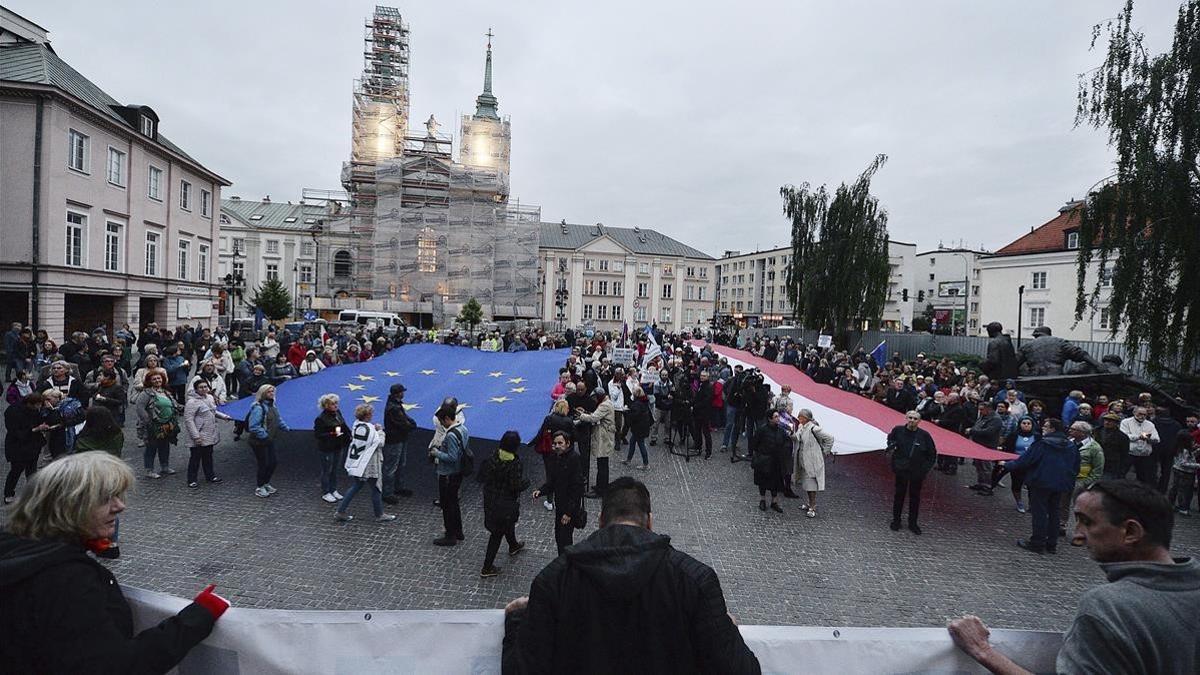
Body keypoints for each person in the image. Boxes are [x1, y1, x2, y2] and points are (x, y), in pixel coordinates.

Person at [502, 476, 761, 674]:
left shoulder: (554, 580)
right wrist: (725, 628)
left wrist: (517, 620)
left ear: (601, 520)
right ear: (649, 522)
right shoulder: (695, 581)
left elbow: (522, 669)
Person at [0, 452, 230, 672]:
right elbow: (115, 667)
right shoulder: (67, 579)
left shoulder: (14, 547)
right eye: (105, 499)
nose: (120, 506)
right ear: (68, 506)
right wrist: (198, 617)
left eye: (119, 496)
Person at [949, 480, 1200, 675]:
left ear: (1131, 531)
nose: (1077, 536)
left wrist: (982, 650)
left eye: (1086, 523)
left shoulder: (1110, 607)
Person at [1003, 418, 1080, 554]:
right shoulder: (1071, 446)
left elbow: (1026, 461)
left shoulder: (1042, 444)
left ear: (1052, 429)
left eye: (1046, 426)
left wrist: (1007, 465)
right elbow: (1075, 466)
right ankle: (1051, 544)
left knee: (1039, 513)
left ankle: (1037, 542)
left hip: (1041, 482)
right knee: (1054, 512)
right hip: (1060, 484)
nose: (1043, 428)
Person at [477, 430, 529, 577]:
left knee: (507, 523)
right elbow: (515, 485)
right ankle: (487, 567)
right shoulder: (514, 464)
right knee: (498, 532)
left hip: (491, 498)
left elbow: (482, 476)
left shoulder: (493, 456)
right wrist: (526, 483)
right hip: (505, 501)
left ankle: (513, 545)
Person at [335, 404, 396, 523]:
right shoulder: (370, 429)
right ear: (367, 415)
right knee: (376, 488)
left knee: (356, 486)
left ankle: (340, 511)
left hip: (358, 462)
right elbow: (380, 443)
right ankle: (379, 514)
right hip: (369, 463)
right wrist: (380, 431)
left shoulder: (356, 425)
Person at [531, 431, 586, 555]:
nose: (557, 446)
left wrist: (568, 513)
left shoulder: (574, 458)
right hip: (560, 505)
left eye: (560, 443)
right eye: (555, 443)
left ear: (567, 443)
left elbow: (577, 489)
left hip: (568, 508)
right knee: (559, 538)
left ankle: (565, 566)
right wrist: (540, 491)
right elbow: (553, 482)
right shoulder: (555, 457)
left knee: (564, 540)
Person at [887, 410, 937, 534]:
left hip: (917, 471)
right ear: (906, 418)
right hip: (901, 469)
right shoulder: (898, 430)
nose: (912, 420)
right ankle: (896, 520)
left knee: (915, 498)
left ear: (919, 421)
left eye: (915, 419)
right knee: (899, 495)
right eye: (910, 417)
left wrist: (924, 470)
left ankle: (913, 523)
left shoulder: (924, 435)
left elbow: (932, 454)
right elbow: (890, 440)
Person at [430, 404, 469, 546]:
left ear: (447, 419)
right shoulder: (463, 429)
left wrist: (437, 453)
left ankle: (450, 535)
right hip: (457, 473)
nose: (440, 424)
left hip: (447, 474)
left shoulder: (451, 435)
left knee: (447, 505)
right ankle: (458, 531)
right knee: (454, 503)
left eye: (441, 421)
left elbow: (452, 457)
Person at [182, 379, 232, 488]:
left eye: (205, 387)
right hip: (199, 433)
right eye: (201, 387)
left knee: (208, 456)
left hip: (209, 432)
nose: (204, 389)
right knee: (195, 458)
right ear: (196, 389)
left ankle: (210, 476)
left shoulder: (209, 398)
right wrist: (196, 436)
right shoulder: (192, 402)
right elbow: (188, 420)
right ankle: (192, 479)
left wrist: (224, 417)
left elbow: (213, 411)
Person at [246, 384, 289, 498]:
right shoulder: (258, 407)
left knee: (273, 462)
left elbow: (277, 418)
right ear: (263, 393)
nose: (272, 393)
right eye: (269, 391)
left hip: (269, 440)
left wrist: (285, 427)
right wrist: (265, 436)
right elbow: (254, 426)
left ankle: (266, 482)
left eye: (273, 391)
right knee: (263, 464)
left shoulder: (272, 405)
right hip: (259, 441)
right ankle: (260, 486)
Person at [3, 391, 46, 504]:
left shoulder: (34, 410)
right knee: (16, 471)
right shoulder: (14, 411)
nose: (39, 407)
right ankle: (8, 493)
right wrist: (35, 429)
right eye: (38, 405)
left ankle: (32, 493)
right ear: (32, 404)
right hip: (18, 447)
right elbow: (15, 431)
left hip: (32, 445)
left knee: (31, 471)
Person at [792, 408, 834, 518]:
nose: (799, 418)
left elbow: (829, 438)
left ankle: (812, 506)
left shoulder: (814, 429)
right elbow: (797, 437)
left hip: (812, 461)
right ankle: (809, 503)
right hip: (803, 459)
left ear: (806, 418)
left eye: (801, 416)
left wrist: (825, 452)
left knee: (812, 485)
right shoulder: (801, 427)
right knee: (807, 483)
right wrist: (791, 433)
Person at [575, 387, 614, 499]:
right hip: (605, 436)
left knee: (602, 465)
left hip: (603, 437)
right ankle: (601, 486)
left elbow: (594, 418)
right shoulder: (607, 402)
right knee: (602, 464)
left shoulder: (604, 405)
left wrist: (581, 415)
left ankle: (600, 490)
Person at [993, 416, 1038, 512]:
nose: (1026, 425)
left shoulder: (1037, 436)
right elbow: (1008, 448)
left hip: (1031, 465)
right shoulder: (1014, 435)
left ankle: (1032, 504)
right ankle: (1019, 502)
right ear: (1020, 424)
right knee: (1017, 484)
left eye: (1028, 423)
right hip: (1017, 464)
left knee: (1032, 485)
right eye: (1024, 423)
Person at [381, 383, 417, 503]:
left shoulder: (395, 405)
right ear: (398, 393)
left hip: (399, 438)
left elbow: (404, 419)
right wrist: (411, 425)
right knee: (391, 467)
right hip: (395, 439)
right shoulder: (394, 408)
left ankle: (397, 487)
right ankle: (387, 493)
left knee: (399, 464)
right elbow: (403, 422)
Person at [141, 372, 179, 479]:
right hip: (154, 424)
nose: (157, 380)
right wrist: (148, 421)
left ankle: (164, 467)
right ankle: (149, 470)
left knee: (165, 445)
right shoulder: (146, 393)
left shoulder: (166, 392)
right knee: (151, 447)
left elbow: (174, 404)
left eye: (159, 378)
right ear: (149, 381)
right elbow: (140, 408)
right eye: (154, 379)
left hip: (167, 424)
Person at [313, 394, 350, 503]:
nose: (335, 406)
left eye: (336, 403)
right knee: (327, 470)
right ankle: (326, 492)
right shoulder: (320, 419)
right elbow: (318, 435)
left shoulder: (337, 413)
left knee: (335, 469)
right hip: (327, 448)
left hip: (338, 445)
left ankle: (333, 489)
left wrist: (349, 434)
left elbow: (343, 425)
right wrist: (332, 433)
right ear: (326, 406)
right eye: (333, 404)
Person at [753, 410, 791, 513]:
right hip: (764, 459)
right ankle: (762, 499)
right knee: (763, 481)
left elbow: (784, 442)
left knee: (775, 482)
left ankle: (774, 501)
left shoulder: (781, 431)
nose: (778, 419)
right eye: (775, 417)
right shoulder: (762, 430)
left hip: (776, 460)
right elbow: (755, 444)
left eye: (778, 416)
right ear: (770, 418)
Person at [967, 401, 1003, 496]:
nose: (980, 411)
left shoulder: (996, 419)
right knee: (979, 465)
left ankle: (987, 486)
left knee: (986, 467)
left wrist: (972, 430)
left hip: (987, 445)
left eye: (982, 409)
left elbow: (988, 432)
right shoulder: (983, 416)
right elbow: (977, 426)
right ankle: (981, 483)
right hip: (978, 444)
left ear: (988, 409)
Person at [1119, 406, 1159, 485]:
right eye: (1140, 414)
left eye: (1144, 414)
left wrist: (1148, 439)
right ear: (1134, 413)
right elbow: (1124, 436)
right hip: (1129, 453)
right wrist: (1138, 437)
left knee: (1143, 478)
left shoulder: (1150, 424)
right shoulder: (1125, 422)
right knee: (1121, 474)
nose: (1142, 416)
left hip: (1144, 455)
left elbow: (1157, 439)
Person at [623, 384, 652, 470]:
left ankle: (646, 464)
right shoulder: (644, 401)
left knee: (641, 444)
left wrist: (627, 412)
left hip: (639, 428)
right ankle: (628, 460)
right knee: (633, 442)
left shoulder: (638, 404)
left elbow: (634, 416)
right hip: (642, 427)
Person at [1098, 412, 1131, 479]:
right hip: (1096, 462)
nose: (1107, 422)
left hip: (1111, 465)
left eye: (1110, 421)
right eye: (1106, 420)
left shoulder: (1122, 437)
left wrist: (1122, 471)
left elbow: (1124, 454)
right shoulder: (1096, 431)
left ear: (1116, 423)